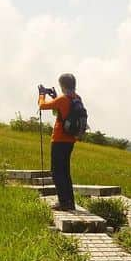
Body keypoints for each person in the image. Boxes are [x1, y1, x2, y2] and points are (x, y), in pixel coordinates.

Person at [38, 73, 81, 211]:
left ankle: (63, 202)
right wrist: (54, 96)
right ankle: (69, 202)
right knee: (65, 171)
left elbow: (42, 106)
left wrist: (41, 95)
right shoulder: (77, 98)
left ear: (62, 85)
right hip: (70, 140)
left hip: (59, 140)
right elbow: (61, 111)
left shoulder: (63, 99)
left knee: (57, 172)